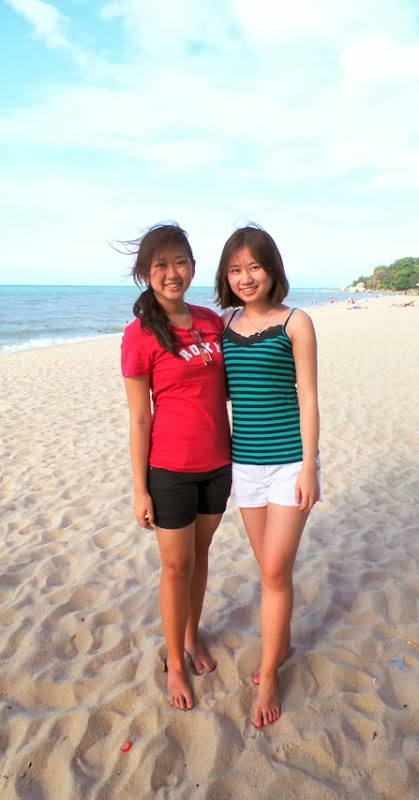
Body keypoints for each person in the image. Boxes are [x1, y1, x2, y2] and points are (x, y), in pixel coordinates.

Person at [121, 222, 231, 711]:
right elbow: (139, 418)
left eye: (180, 262)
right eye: (161, 265)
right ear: (146, 273)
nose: (172, 273)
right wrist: (139, 489)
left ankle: (191, 635)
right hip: (169, 468)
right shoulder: (139, 334)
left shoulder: (209, 321)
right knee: (174, 565)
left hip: (218, 461)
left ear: (193, 266)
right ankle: (174, 661)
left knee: (200, 555)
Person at [215, 224, 320, 728]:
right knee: (269, 569)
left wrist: (310, 466)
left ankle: (270, 673)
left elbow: (308, 397)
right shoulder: (223, 324)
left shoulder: (296, 323)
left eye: (254, 266)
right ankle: (285, 642)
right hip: (245, 466)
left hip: (289, 464)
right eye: (236, 269)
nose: (246, 277)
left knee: (275, 570)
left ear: (272, 269)